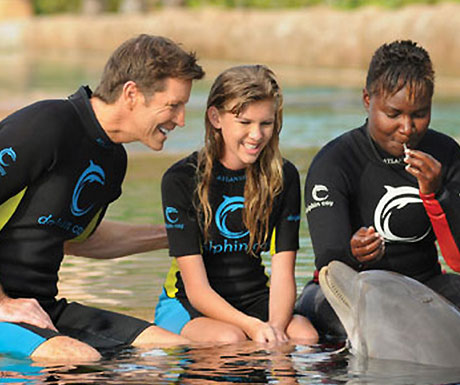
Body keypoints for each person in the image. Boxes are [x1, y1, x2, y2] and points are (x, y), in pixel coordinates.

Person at [0, 34, 204, 361]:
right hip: (7, 307)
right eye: (173, 105)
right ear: (131, 93)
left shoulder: (112, 160)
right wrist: (3, 303)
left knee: (170, 348)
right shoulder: (47, 125)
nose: (180, 120)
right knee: (80, 358)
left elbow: (81, 239)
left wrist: (180, 235)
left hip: (40, 307)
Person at [295, 40, 460, 339]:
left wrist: (437, 194)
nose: (407, 127)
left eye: (420, 114)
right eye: (393, 114)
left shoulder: (445, 154)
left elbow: (458, 259)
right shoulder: (335, 162)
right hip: (351, 290)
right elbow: (328, 262)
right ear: (367, 99)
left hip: (424, 286)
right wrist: (354, 251)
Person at [154, 65, 318, 344]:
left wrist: (275, 329)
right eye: (245, 123)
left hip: (254, 298)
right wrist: (254, 328)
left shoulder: (283, 176)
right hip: (188, 303)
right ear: (216, 117)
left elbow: (282, 273)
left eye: (265, 123)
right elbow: (197, 290)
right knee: (231, 340)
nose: (256, 135)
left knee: (305, 336)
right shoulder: (180, 179)